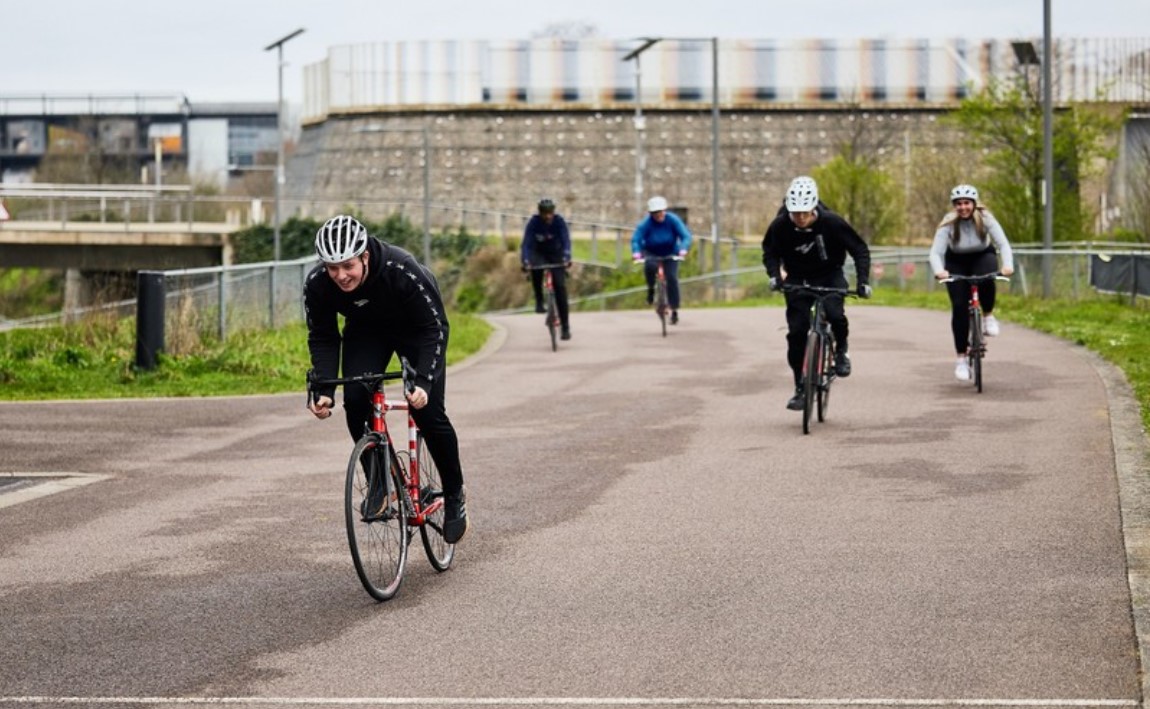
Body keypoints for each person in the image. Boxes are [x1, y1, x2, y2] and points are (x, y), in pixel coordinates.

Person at [304, 215, 467, 544]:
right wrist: (323, 388)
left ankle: (454, 496)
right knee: (355, 401)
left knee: (427, 412)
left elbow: (434, 329)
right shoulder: (318, 283)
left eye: (347, 266)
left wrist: (423, 381)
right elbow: (322, 336)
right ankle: (379, 484)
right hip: (366, 331)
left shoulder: (401, 268)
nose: (340, 276)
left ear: (364, 256)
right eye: (332, 268)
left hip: (416, 329)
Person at [762, 176, 872, 411]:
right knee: (797, 333)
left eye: (805, 212)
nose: (800, 217)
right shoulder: (780, 225)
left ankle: (841, 350)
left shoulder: (832, 222)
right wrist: (774, 275)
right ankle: (801, 388)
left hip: (829, 275)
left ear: (814, 207)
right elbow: (769, 252)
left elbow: (860, 250)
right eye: (795, 213)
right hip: (797, 279)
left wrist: (863, 282)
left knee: (835, 314)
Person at [929, 184, 1015, 382]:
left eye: (967, 203)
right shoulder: (949, 223)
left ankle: (988, 315)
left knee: (987, 277)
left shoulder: (986, 218)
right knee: (959, 306)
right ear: (954, 206)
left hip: (982, 256)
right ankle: (961, 359)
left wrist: (1008, 265)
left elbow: (1002, 244)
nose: (963, 207)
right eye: (958, 204)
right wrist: (939, 271)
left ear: (974, 204)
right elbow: (936, 252)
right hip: (956, 260)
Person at [631, 196, 693, 324]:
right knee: (650, 267)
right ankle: (651, 290)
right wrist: (636, 252)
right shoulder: (646, 224)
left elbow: (685, 235)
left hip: (670, 252)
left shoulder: (672, 220)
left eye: (660, 212)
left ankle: (674, 309)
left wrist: (683, 249)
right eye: (655, 213)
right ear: (651, 214)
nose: (658, 215)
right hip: (651, 251)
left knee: (671, 277)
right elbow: (636, 238)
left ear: (664, 211)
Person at [520, 197, 573, 340]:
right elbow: (527, 244)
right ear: (540, 213)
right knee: (535, 270)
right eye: (545, 213)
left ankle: (565, 327)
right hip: (539, 253)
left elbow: (566, 240)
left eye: (550, 213)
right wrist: (525, 261)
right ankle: (539, 300)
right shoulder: (534, 223)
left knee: (560, 287)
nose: (548, 216)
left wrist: (567, 257)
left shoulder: (559, 222)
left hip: (556, 253)